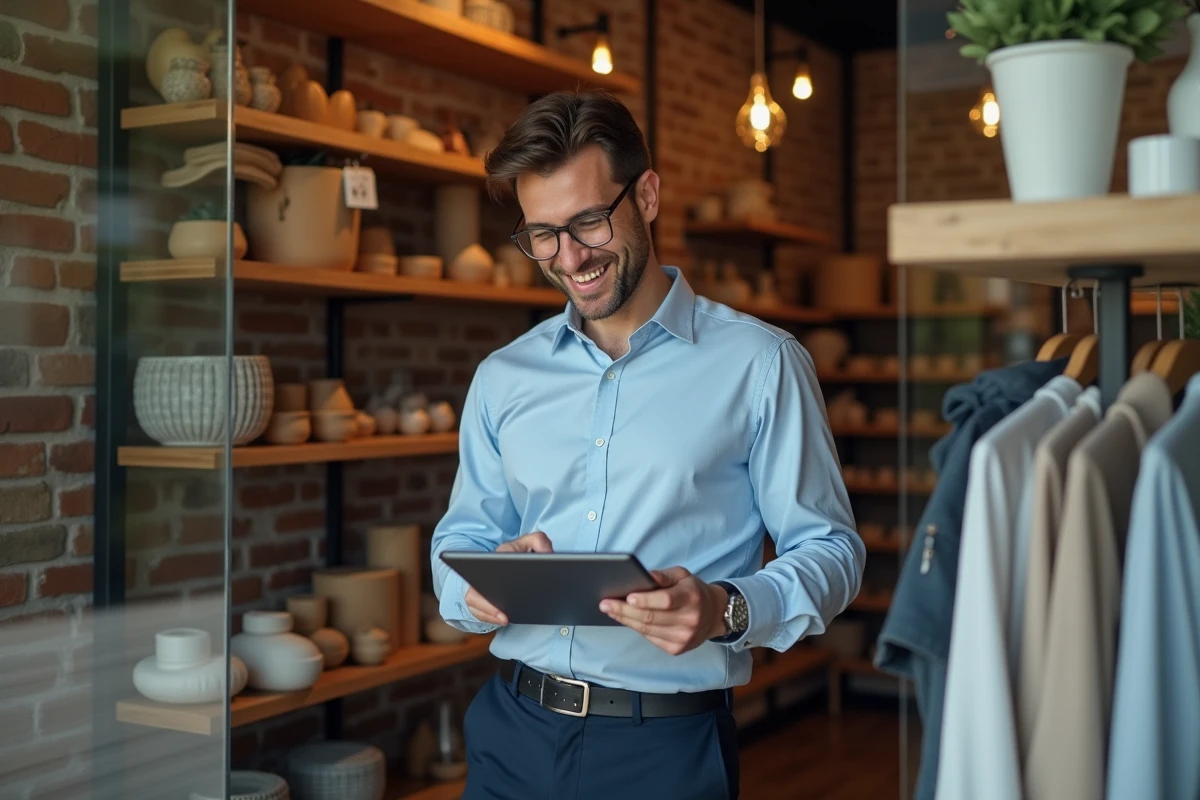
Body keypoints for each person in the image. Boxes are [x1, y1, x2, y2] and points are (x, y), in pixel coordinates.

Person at [430, 89, 864, 800]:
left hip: (665, 748)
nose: (568, 258)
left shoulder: (762, 363)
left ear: (649, 196)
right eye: (542, 233)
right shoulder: (502, 376)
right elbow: (462, 537)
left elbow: (833, 550)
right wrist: (474, 586)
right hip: (511, 732)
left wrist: (728, 608)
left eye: (590, 221)